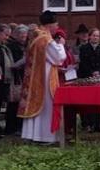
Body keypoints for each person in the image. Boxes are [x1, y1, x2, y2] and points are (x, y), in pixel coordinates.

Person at [19, 11, 67, 144]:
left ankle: (32, 135)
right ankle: (45, 137)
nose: (57, 27)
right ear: (49, 25)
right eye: (56, 25)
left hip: (35, 76)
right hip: (44, 78)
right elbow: (58, 58)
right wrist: (61, 45)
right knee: (47, 106)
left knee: (36, 104)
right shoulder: (46, 39)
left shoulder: (35, 37)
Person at [78, 28, 100, 132]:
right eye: (94, 35)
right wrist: (92, 72)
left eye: (97, 36)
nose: (96, 37)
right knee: (89, 101)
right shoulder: (83, 48)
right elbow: (83, 63)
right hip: (88, 78)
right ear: (90, 36)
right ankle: (89, 124)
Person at [4, 24, 28, 135]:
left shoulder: (27, 45)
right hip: (15, 77)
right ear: (16, 35)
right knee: (13, 103)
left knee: (22, 103)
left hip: (24, 76)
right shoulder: (11, 46)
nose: (23, 38)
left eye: (25, 36)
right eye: (21, 36)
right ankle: (11, 127)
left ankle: (20, 126)